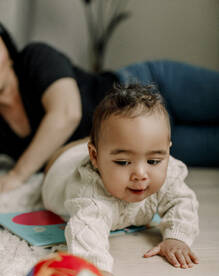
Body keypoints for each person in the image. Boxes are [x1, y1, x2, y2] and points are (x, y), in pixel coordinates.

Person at [1, 23, 219, 193]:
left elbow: (67, 113)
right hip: (142, 147)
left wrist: (18, 175)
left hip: (150, 85)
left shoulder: (34, 57)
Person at [42, 84, 200, 276]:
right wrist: (96, 268)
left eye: (153, 161)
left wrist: (177, 237)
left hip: (100, 149)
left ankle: (101, 145)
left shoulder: (167, 171)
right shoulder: (89, 193)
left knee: (117, 143)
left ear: (167, 153)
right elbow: (86, 230)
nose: (140, 175)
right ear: (95, 158)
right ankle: (83, 145)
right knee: (69, 153)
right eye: (123, 162)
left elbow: (182, 201)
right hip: (61, 164)